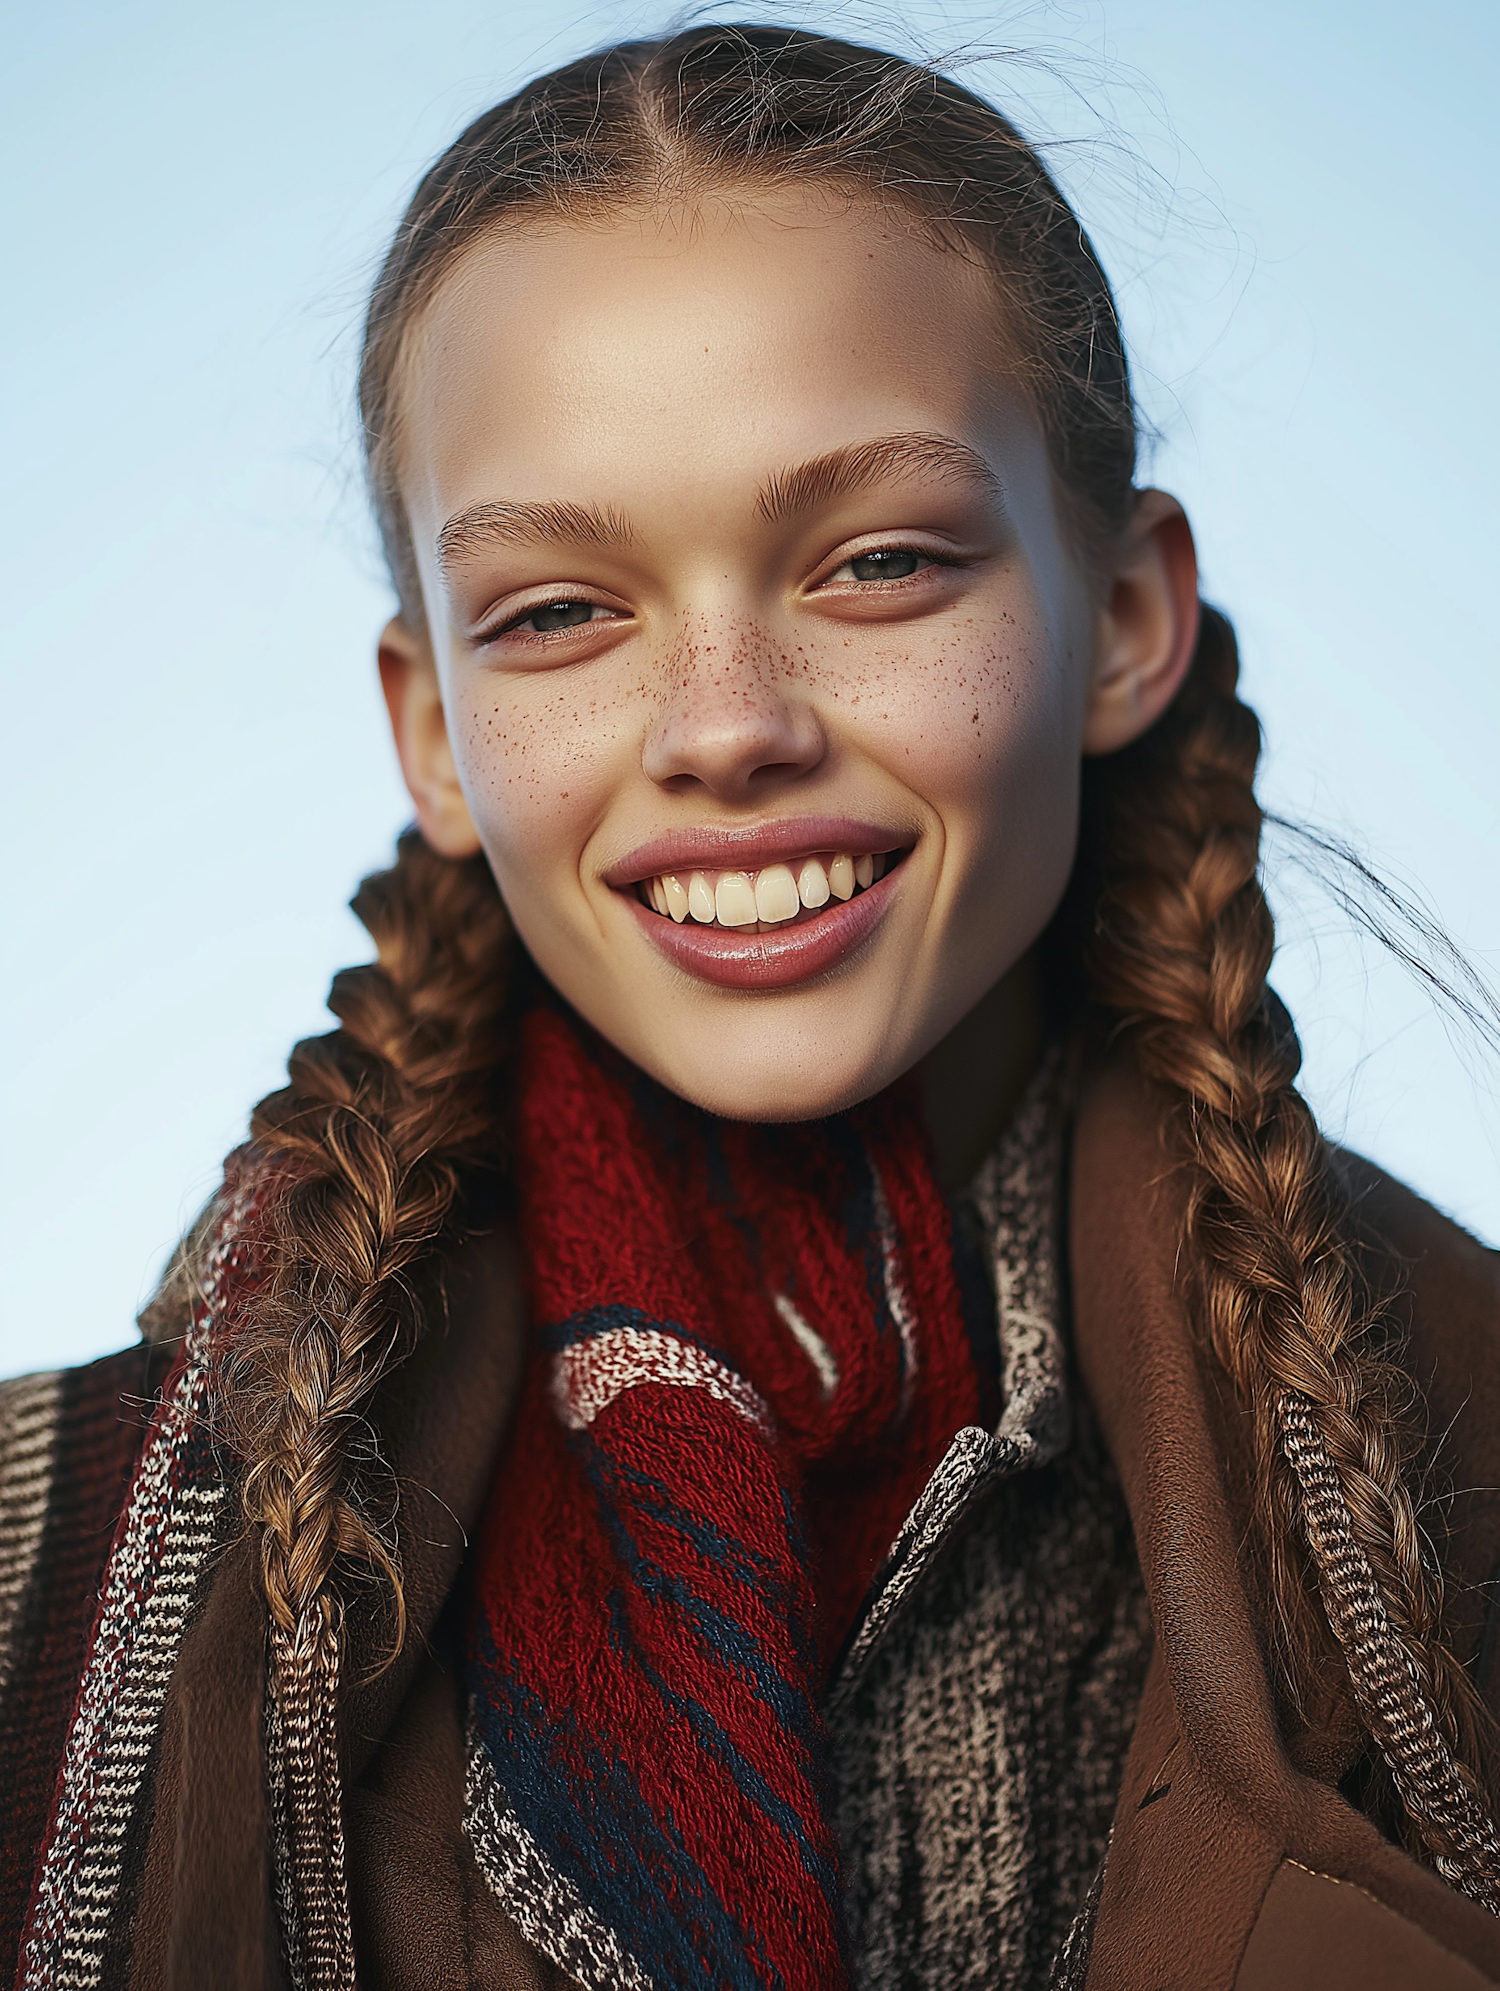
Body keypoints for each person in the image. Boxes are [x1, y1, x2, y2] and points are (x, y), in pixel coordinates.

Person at [2, 23, 1498, 1991]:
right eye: (558, 610)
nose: (725, 725)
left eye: (878, 560)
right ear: (436, 732)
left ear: (1123, 612)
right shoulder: (50, 1578)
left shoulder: (1464, 1452)